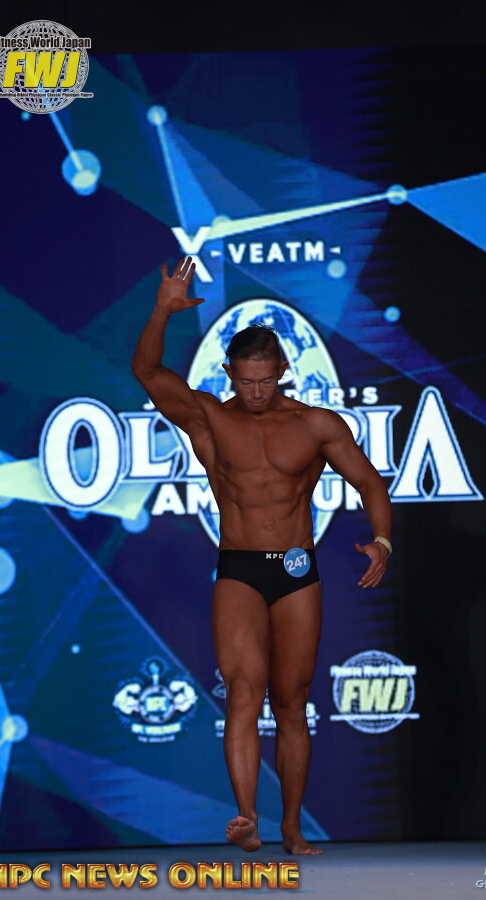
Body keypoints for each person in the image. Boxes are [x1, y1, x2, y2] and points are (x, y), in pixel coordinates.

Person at [131, 256, 392, 855]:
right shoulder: (209, 418)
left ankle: (292, 827)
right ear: (229, 372)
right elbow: (146, 371)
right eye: (245, 381)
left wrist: (382, 539)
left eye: (264, 381)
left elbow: (370, 482)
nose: (254, 392)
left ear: (282, 372)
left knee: (292, 702)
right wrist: (162, 310)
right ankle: (247, 816)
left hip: (297, 571)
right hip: (241, 570)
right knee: (243, 691)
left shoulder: (316, 425)